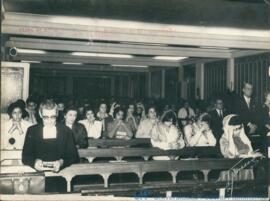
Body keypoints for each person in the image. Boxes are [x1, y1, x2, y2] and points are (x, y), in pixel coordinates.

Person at [22, 99, 79, 172]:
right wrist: (35, 162)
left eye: (53, 117)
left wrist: (61, 162)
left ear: (57, 114)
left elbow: (73, 156)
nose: (49, 121)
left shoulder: (66, 131)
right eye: (45, 117)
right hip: (38, 175)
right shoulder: (32, 131)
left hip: (61, 175)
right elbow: (25, 156)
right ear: (40, 114)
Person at [219, 115, 262, 181]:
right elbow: (232, 154)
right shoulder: (224, 139)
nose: (238, 131)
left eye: (239, 128)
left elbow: (249, 152)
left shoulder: (243, 138)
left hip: (246, 170)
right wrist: (230, 135)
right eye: (235, 129)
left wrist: (254, 155)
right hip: (231, 171)